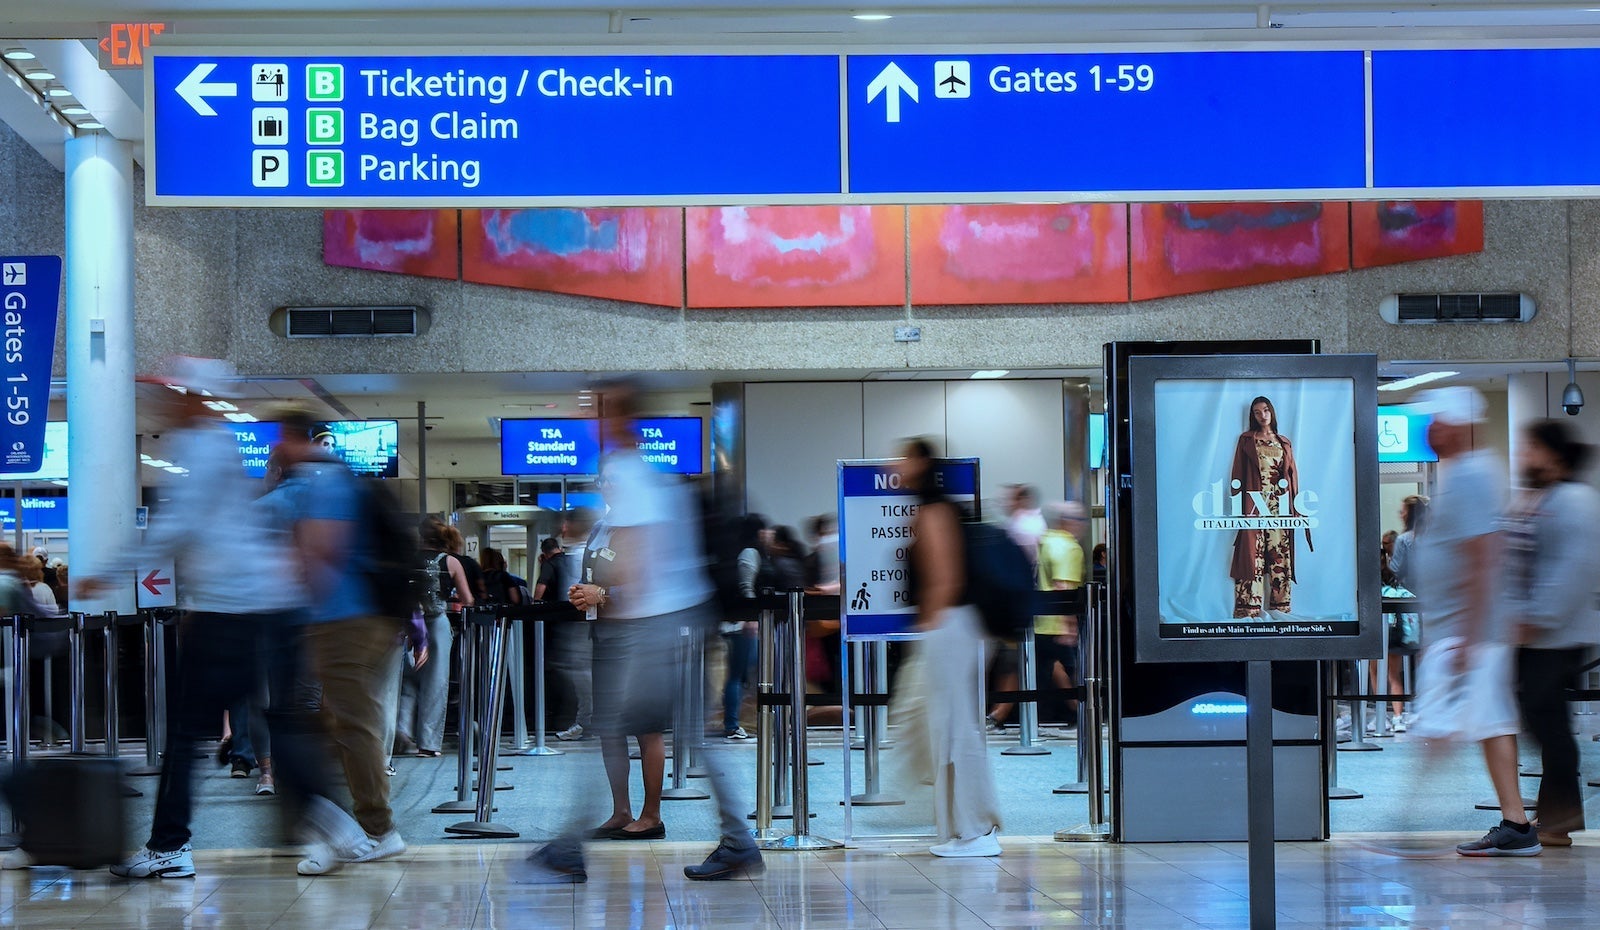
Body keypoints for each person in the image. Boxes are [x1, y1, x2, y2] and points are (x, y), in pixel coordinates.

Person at [73, 358, 307, 880]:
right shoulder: (216, 445)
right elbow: (211, 538)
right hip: (246, 608)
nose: (166, 401)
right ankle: (337, 827)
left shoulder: (201, 446)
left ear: (195, 396)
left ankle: (171, 846)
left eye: (174, 392)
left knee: (188, 734)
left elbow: (178, 528)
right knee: (275, 725)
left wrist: (104, 573)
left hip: (234, 613)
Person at [521, 381, 760, 883]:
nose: (589, 417)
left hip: (653, 625)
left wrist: (605, 610)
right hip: (677, 618)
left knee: (613, 722)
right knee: (686, 729)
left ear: (615, 416)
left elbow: (637, 562)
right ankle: (738, 839)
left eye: (595, 408)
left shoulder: (628, 472)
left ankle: (570, 846)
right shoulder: (649, 475)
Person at [270, 406, 411, 873]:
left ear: (293, 438)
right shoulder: (339, 478)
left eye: (279, 439)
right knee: (338, 721)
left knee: (352, 724)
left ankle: (377, 830)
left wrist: (307, 615)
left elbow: (320, 551)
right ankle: (343, 825)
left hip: (343, 619)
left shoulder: (324, 482)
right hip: (355, 616)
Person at [1408, 387, 1535, 857]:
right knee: (1492, 723)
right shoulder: (1465, 474)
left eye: (1437, 421)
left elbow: (1485, 558)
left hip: (1466, 632)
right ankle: (1517, 825)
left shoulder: (1472, 477)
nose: (1430, 430)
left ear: (1460, 427)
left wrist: (1469, 635)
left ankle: (1405, 827)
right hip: (1469, 630)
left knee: (1439, 727)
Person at [897, 437, 1002, 858]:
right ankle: (963, 829)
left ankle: (977, 830)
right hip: (953, 627)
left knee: (957, 729)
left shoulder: (934, 511)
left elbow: (944, 578)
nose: (897, 465)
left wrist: (929, 624)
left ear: (921, 462)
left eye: (904, 457)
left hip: (950, 628)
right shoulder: (935, 510)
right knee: (950, 729)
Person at [1504, 419, 1600, 847]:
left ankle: (1559, 820)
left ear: (1553, 455)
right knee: (1544, 721)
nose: (1523, 456)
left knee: (1550, 725)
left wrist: (1537, 617)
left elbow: (1572, 568)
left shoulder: (1575, 501)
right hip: (1539, 633)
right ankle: (1557, 818)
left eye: (1530, 448)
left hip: (1555, 636)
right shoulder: (1545, 498)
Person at [396, 518, 472, 758]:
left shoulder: (406, 559)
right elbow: (467, 599)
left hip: (405, 623)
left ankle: (400, 732)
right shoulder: (450, 561)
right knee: (435, 683)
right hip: (437, 622)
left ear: (420, 536)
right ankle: (428, 744)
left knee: (404, 682)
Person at [1230, 395, 1309, 619]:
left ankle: (1280, 608)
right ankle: (1249, 608)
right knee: (1251, 556)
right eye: (1257, 412)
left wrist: (1295, 505)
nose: (1262, 415)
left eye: (1265, 410)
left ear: (1272, 412)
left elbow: (1292, 475)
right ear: (1252, 416)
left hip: (1279, 506)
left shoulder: (1283, 442)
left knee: (1280, 555)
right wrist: (1237, 503)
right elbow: (1237, 473)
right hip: (1254, 505)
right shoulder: (1246, 440)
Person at [1035, 501, 1087, 733]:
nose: (1083, 526)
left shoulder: (1047, 540)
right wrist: (1070, 626)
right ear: (1069, 522)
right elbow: (1063, 587)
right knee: (1074, 668)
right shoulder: (1068, 547)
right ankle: (1080, 712)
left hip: (1042, 622)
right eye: (1081, 520)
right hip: (1057, 622)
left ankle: (1073, 712)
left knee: (1053, 669)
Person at [551, 508, 598, 742]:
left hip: (583, 624)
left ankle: (586, 721)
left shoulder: (584, 554)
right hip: (579, 624)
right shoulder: (579, 553)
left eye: (567, 523)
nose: (563, 529)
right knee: (581, 674)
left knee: (583, 675)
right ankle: (585, 720)